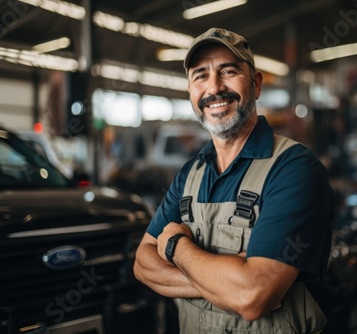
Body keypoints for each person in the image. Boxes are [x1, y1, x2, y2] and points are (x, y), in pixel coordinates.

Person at [134, 27, 334, 333]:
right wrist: (227, 284)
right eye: (200, 75)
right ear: (190, 92)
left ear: (255, 84)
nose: (214, 87)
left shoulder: (294, 169)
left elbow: (253, 295)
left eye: (228, 71)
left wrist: (175, 244)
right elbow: (143, 265)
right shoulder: (190, 175)